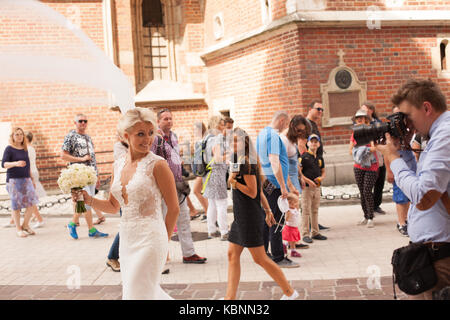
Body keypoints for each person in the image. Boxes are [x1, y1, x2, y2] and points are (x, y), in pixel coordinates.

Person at [75, 107, 179, 299]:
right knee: (138, 293)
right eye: (140, 134)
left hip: (151, 240)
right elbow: (114, 206)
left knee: (138, 293)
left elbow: (174, 208)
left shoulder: (158, 165)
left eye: (150, 133)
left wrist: (165, 241)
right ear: (126, 136)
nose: (147, 139)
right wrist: (88, 200)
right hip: (127, 241)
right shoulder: (118, 164)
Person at [376, 79, 450, 300]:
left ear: (426, 108)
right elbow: (423, 183)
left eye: (408, 117)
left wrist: (393, 158)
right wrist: (404, 151)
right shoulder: (437, 135)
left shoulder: (445, 136)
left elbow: (423, 196)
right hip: (432, 254)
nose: (406, 124)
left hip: (440, 258)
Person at [225, 128, 299, 300]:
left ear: (245, 142)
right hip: (240, 216)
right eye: (231, 140)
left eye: (237, 140)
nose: (233, 144)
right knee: (232, 254)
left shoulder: (247, 162)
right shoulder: (236, 159)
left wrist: (233, 182)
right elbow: (259, 191)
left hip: (249, 217)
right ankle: (230, 298)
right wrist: (267, 210)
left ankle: (290, 292)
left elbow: (252, 192)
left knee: (260, 258)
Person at [151, 108, 207, 263]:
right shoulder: (154, 139)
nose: (169, 121)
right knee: (163, 222)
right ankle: (162, 256)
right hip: (162, 186)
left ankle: (188, 253)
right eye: (165, 119)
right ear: (158, 121)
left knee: (184, 219)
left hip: (178, 184)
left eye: (170, 118)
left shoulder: (174, 136)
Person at [256, 110, 299, 268]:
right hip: (274, 184)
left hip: (266, 183)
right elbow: (274, 161)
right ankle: (278, 257)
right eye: (286, 124)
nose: (286, 127)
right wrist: (283, 185)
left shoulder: (261, 134)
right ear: (281, 120)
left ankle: (264, 253)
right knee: (277, 221)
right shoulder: (274, 136)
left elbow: (260, 160)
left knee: (266, 219)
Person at [61, 113, 108, 239]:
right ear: (75, 122)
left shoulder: (88, 137)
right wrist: (80, 159)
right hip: (78, 175)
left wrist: (97, 175)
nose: (83, 123)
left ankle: (90, 229)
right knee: (84, 201)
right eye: (80, 121)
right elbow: (63, 155)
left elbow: (92, 158)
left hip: (90, 175)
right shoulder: (70, 136)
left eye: (85, 121)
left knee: (88, 202)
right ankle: (75, 224)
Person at [384, 105, 417, 237]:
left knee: (409, 195)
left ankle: (407, 220)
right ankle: (401, 223)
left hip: (410, 166)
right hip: (397, 167)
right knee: (400, 198)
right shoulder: (391, 133)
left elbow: (408, 145)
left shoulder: (407, 131)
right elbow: (387, 153)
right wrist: (389, 171)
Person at [1, 127, 38, 237]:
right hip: (13, 180)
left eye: (21, 134)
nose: (19, 136)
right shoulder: (9, 149)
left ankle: (25, 225)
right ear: (12, 136)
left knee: (32, 203)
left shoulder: (25, 148)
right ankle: (18, 229)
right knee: (16, 206)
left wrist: (32, 179)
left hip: (26, 179)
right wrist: (16, 163)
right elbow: (4, 164)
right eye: (16, 134)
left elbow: (28, 166)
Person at [202, 116, 229, 240]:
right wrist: (228, 156)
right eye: (223, 124)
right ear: (218, 125)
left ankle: (211, 230)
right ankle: (224, 232)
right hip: (217, 173)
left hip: (208, 174)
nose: (225, 127)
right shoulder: (217, 138)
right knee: (222, 204)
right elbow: (218, 158)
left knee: (212, 203)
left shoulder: (207, 138)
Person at [350, 109, 379, 228]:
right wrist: (359, 152)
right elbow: (350, 149)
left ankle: (371, 217)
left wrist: (363, 150)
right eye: (358, 118)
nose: (360, 120)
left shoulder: (371, 132)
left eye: (362, 118)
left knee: (367, 191)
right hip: (358, 166)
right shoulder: (355, 133)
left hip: (371, 165)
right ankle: (365, 215)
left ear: (367, 120)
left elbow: (374, 148)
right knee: (362, 191)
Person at [105, 138, 128, 272]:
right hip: (125, 197)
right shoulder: (119, 148)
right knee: (126, 227)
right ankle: (112, 256)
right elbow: (111, 205)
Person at [305, 100, 329, 231]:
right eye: (318, 109)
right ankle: (309, 224)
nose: (320, 111)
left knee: (315, 196)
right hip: (310, 165)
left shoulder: (312, 124)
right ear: (310, 109)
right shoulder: (306, 124)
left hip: (316, 164)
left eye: (322, 109)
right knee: (309, 196)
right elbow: (302, 144)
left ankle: (314, 223)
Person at [299, 134, 327, 242]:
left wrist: (321, 178)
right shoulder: (304, 157)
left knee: (315, 210)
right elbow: (299, 172)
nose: (314, 144)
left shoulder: (320, 158)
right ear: (308, 143)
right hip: (307, 188)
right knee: (305, 210)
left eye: (316, 142)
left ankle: (315, 232)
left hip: (317, 188)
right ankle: (305, 233)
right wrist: (308, 181)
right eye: (312, 141)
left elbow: (323, 171)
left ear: (319, 144)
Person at [361, 102, 386, 215]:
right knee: (367, 183)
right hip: (367, 155)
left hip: (378, 154)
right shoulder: (360, 123)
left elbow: (382, 136)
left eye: (365, 110)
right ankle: (368, 206)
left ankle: (376, 205)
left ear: (371, 110)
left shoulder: (377, 123)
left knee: (380, 180)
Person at [280, 115, 310, 195]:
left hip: (294, 177)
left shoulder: (292, 139)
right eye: (299, 130)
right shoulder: (284, 140)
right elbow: (282, 166)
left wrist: (301, 176)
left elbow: (294, 160)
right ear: (292, 126)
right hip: (288, 180)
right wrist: (290, 186)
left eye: (303, 131)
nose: (300, 133)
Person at [25, 132, 45, 229]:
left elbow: (27, 163)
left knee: (30, 198)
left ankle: (39, 219)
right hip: (33, 172)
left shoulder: (28, 149)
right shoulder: (31, 148)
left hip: (30, 173)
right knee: (30, 197)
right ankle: (34, 216)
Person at [192, 121, 209, 222]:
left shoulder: (203, 141)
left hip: (203, 171)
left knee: (196, 190)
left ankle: (208, 212)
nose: (194, 131)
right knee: (199, 191)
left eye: (195, 129)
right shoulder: (200, 141)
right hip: (201, 171)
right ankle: (208, 212)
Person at [282, 193, 302, 258]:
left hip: (294, 227)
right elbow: (286, 219)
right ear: (289, 203)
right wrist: (287, 214)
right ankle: (291, 250)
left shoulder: (295, 209)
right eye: (295, 202)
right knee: (291, 240)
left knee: (292, 240)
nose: (297, 204)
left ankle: (287, 247)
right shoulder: (289, 211)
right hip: (290, 228)